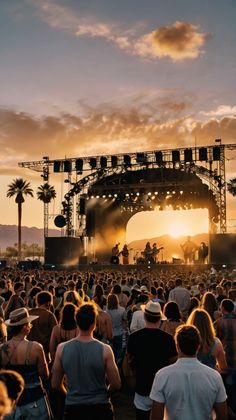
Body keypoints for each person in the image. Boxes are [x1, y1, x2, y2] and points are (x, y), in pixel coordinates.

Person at [51, 302, 121, 420]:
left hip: (73, 408)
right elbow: (116, 384)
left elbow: (55, 384)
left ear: (76, 322)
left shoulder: (62, 349)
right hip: (100, 408)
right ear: (94, 324)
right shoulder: (105, 349)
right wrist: (105, 394)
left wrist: (69, 395)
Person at [150, 325, 228, 420]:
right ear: (198, 347)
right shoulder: (214, 376)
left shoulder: (162, 375)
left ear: (177, 346)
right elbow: (223, 416)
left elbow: (156, 417)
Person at [127, 301, 177, 420]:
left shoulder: (134, 337)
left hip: (142, 387)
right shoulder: (168, 339)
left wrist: (131, 379)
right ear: (160, 319)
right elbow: (173, 362)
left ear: (144, 316)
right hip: (162, 389)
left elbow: (128, 361)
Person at [0, 308, 50, 419]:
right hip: (34, 401)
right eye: (29, 323)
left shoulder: (2, 349)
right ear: (24, 327)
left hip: (10, 402)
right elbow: (45, 376)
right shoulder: (36, 347)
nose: (30, 325)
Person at [28, 291, 58, 362]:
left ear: (37, 301)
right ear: (48, 303)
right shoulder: (49, 315)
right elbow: (56, 335)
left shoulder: (28, 313)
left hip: (27, 350)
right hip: (44, 352)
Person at [106, 294, 127, 366]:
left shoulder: (106, 311)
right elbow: (124, 322)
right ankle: (117, 364)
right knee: (119, 350)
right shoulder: (122, 310)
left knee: (111, 351)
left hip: (109, 333)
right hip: (119, 332)